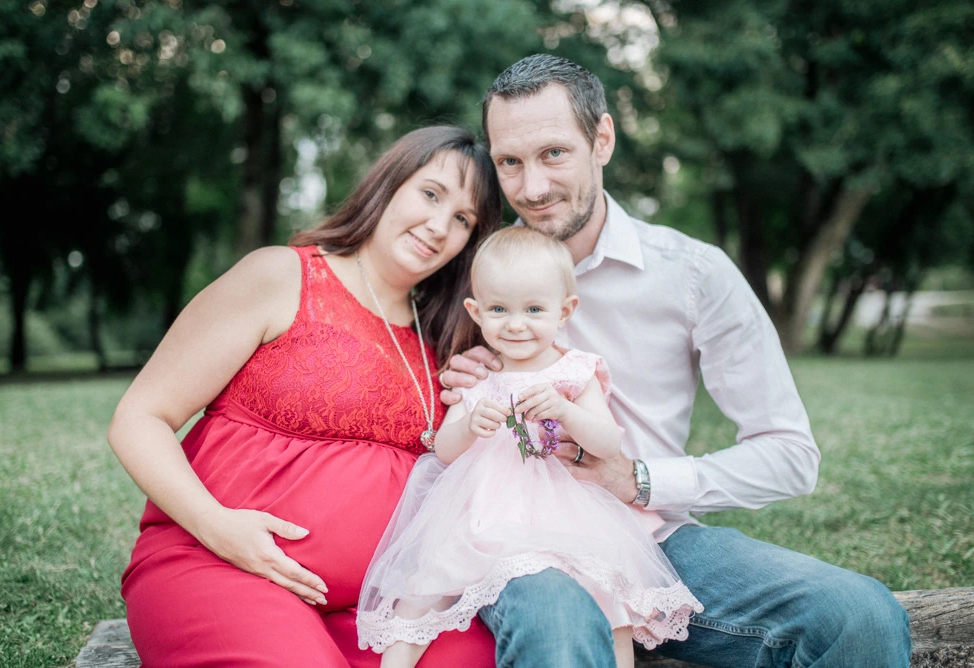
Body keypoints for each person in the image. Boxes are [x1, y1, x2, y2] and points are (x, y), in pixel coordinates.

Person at [440, 54, 912, 668]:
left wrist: (640, 480)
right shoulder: (462, 273)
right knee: (560, 623)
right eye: (510, 162)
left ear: (602, 139)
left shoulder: (692, 273)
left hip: (654, 539)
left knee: (861, 617)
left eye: (553, 153)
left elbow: (790, 456)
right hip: (514, 539)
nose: (531, 188)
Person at [107, 126, 503, 667]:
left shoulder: (443, 340)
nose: (439, 227)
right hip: (224, 566)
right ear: (388, 184)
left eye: (463, 220)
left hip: (380, 608)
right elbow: (139, 417)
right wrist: (217, 527)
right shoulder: (282, 275)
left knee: (477, 658)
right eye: (431, 194)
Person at [356, 226, 702, 668]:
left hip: (567, 509)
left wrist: (567, 411)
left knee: (609, 602)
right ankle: (397, 657)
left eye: (534, 309)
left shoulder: (575, 371)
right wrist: (470, 426)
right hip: (486, 511)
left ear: (565, 311)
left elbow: (608, 440)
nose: (516, 324)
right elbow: (444, 451)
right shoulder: (478, 376)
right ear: (475, 312)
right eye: (499, 309)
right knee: (427, 585)